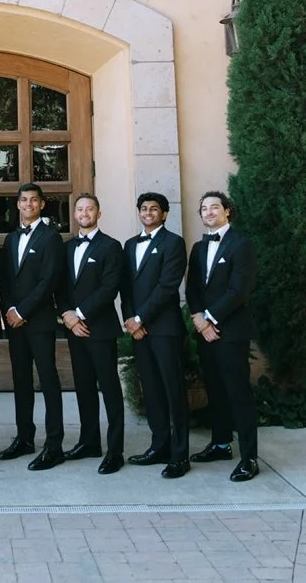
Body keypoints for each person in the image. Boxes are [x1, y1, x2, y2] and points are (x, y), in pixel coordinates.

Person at [187, 190, 259, 482]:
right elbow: (192, 288)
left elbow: (238, 290)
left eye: (214, 207)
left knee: (238, 394)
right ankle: (220, 444)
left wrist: (209, 319)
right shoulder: (198, 248)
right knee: (214, 390)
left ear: (227, 210)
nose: (208, 212)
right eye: (203, 208)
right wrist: (198, 319)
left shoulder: (242, 245)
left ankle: (249, 458)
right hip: (206, 332)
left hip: (230, 332)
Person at [0, 182, 65, 470]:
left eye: (33, 201)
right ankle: (25, 437)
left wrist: (23, 310)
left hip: (39, 321)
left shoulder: (51, 238)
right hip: (15, 323)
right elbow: (5, 280)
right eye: (23, 201)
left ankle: (54, 445)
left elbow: (49, 279)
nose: (28, 205)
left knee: (48, 380)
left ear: (41, 204)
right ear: (18, 205)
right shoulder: (11, 239)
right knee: (21, 381)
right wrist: (11, 311)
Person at [56, 193, 125, 475]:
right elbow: (59, 287)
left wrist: (80, 314)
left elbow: (110, 287)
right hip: (74, 330)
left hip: (100, 329)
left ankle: (115, 450)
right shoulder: (67, 247)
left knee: (109, 389)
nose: (84, 212)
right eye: (80, 208)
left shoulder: (111, 246)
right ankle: (89, 442)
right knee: (84, 388)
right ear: (74, 214)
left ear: (99, 213)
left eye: (90, 208)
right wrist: (67, 317)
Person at [122, 191, 190, 477]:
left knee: (172, 389)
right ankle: (158, 445)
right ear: (138, 212)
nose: (148, 213)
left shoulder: (173, 243)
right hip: (139, 330)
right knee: (150, 389)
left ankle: (180, 455)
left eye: (154, 209)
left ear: (164, 213)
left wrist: (140, 318)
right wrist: (129, 319)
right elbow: (125, 286)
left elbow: (167, 286)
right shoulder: (130, 244)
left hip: (163, 328)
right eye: (143, 208)